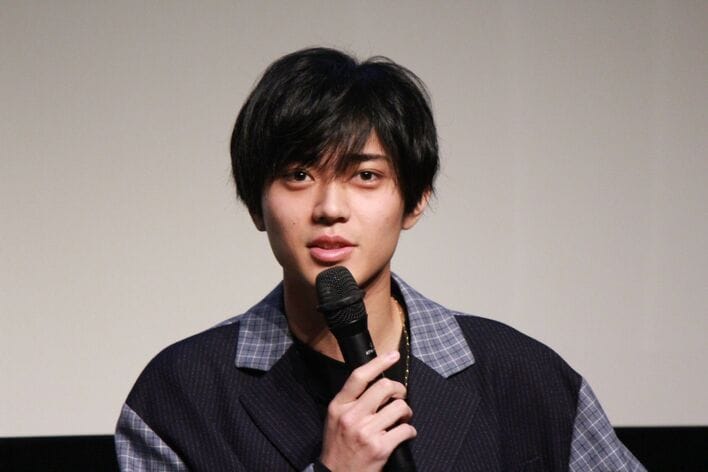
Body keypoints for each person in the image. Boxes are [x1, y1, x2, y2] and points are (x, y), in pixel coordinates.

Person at [115, 47, 645, 471]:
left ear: (415, 201)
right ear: (257, 203)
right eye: (299, 175)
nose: (329, 208)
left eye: (365, 175)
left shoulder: (522, 376)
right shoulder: (180, 395)